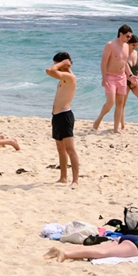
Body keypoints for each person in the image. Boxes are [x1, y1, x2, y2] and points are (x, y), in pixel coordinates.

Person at [93, 24, 134, 134]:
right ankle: (99, 119)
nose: (129, 39)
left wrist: (130, 75)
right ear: (121, 34)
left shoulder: (126, 46)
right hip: (110, 77)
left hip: (122, 77)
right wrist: (104, 78)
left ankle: (116, 128)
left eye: (130, 37)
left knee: (120, 103)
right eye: (127, 36)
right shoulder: (110, 45)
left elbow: (125, 63)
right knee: (110, 102)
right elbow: (103, 63)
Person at [47, 52, 80, 185]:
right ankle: (63, 177)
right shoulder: (64, 77)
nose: (55, 66)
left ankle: (75, 180)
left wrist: (62, 64)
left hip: (65, 116)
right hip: (57, 116)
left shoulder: (70, 77)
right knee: (60, 149)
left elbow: (49, 71)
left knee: (70, 149)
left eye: (56, 64)